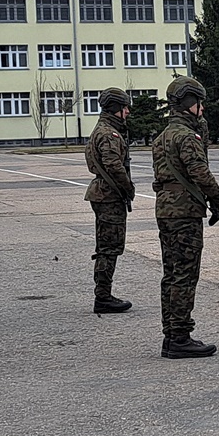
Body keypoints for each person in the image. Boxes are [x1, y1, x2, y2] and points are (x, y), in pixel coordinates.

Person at [152, 75, 219, 359]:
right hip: (184, 211)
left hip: (166, 209)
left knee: (171, 273)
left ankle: (172, 332)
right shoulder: (186, 137)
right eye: (199, 103)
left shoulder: (163, 136)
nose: (202, 109)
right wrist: (216, 196)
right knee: (184, 273)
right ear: (189, 103)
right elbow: (200, 172)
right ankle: (180, 337)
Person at [84, 87, 137, 313]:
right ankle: (103, 296)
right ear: (116, 108)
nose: (127, 112)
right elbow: (113, 165)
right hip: (109, 194)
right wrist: (128, 187)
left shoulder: (104, 129)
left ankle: (103, 294)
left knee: (108, 245)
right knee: (109, 247)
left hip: (104, 192)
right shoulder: (109, 134)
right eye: (124, 107)